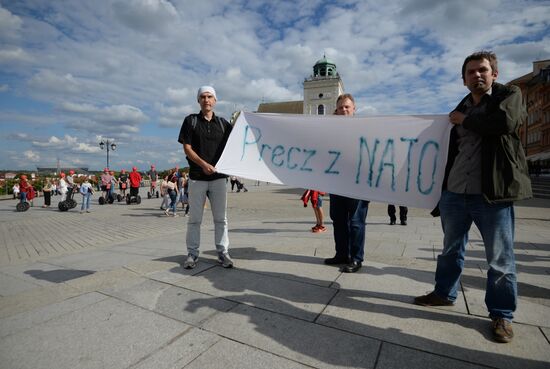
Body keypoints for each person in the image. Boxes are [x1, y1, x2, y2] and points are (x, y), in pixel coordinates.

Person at [414, 51, 532, 344]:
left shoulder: (509, 95)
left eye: (482, 70)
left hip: (492, 194)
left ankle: (502, 314)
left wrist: (464, 121)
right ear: (463, 79)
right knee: (451, 249)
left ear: (494, 73)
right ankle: (444, 293)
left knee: (500, 258)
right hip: (455, 192)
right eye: (471, 72)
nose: (477, 75)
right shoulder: (460, 107)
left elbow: (504, 123)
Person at [178, 85, 233, 269]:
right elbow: (187, 148)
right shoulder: (191, 121)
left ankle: (223, 252)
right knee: (195, 219)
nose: (206, 100)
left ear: (215, 100)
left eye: (210, 96)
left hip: (218, 178)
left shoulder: (223, 124)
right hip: (197, 177)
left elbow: (239, 142)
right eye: (203, 97)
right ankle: (192, 254)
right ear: (198, 100)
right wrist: (203, 165)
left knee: (221, 218)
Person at [324, 94, 370, 273]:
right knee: (338, 220)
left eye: (347, 107)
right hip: (337, 183)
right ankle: (342, 254)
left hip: (358, 184)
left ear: (354, 109)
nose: (343, 110)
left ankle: (356, 258)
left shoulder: (363, 129)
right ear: (336, 110)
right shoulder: (331, 130)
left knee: (356, 222)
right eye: (340, 107)